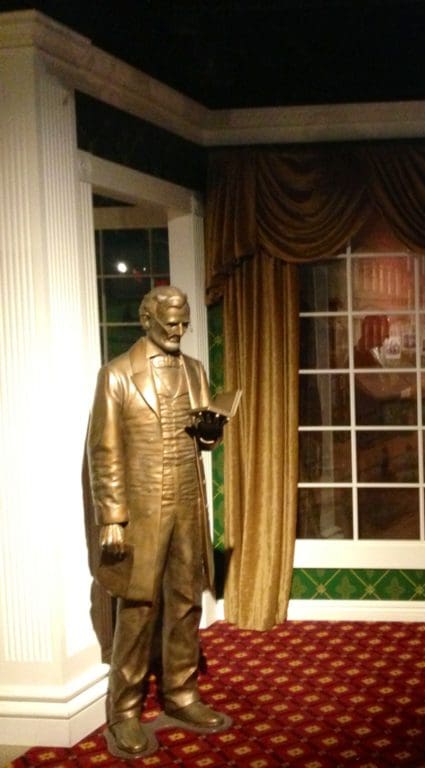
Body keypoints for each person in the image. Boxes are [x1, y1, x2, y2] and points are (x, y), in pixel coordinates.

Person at [87, 286, 228, 755]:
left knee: (186, 598)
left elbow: (203, 438)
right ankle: (124, 711)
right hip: (143, 506)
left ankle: (182, 692)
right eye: (170, 323)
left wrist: (211, 432)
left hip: (188, 496)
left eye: (184, 323)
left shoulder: (194, 370)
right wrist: (112, 517)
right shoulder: (116, 375)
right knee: (139, 606)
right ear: (146, 318)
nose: (179, 331)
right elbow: (104, 452)